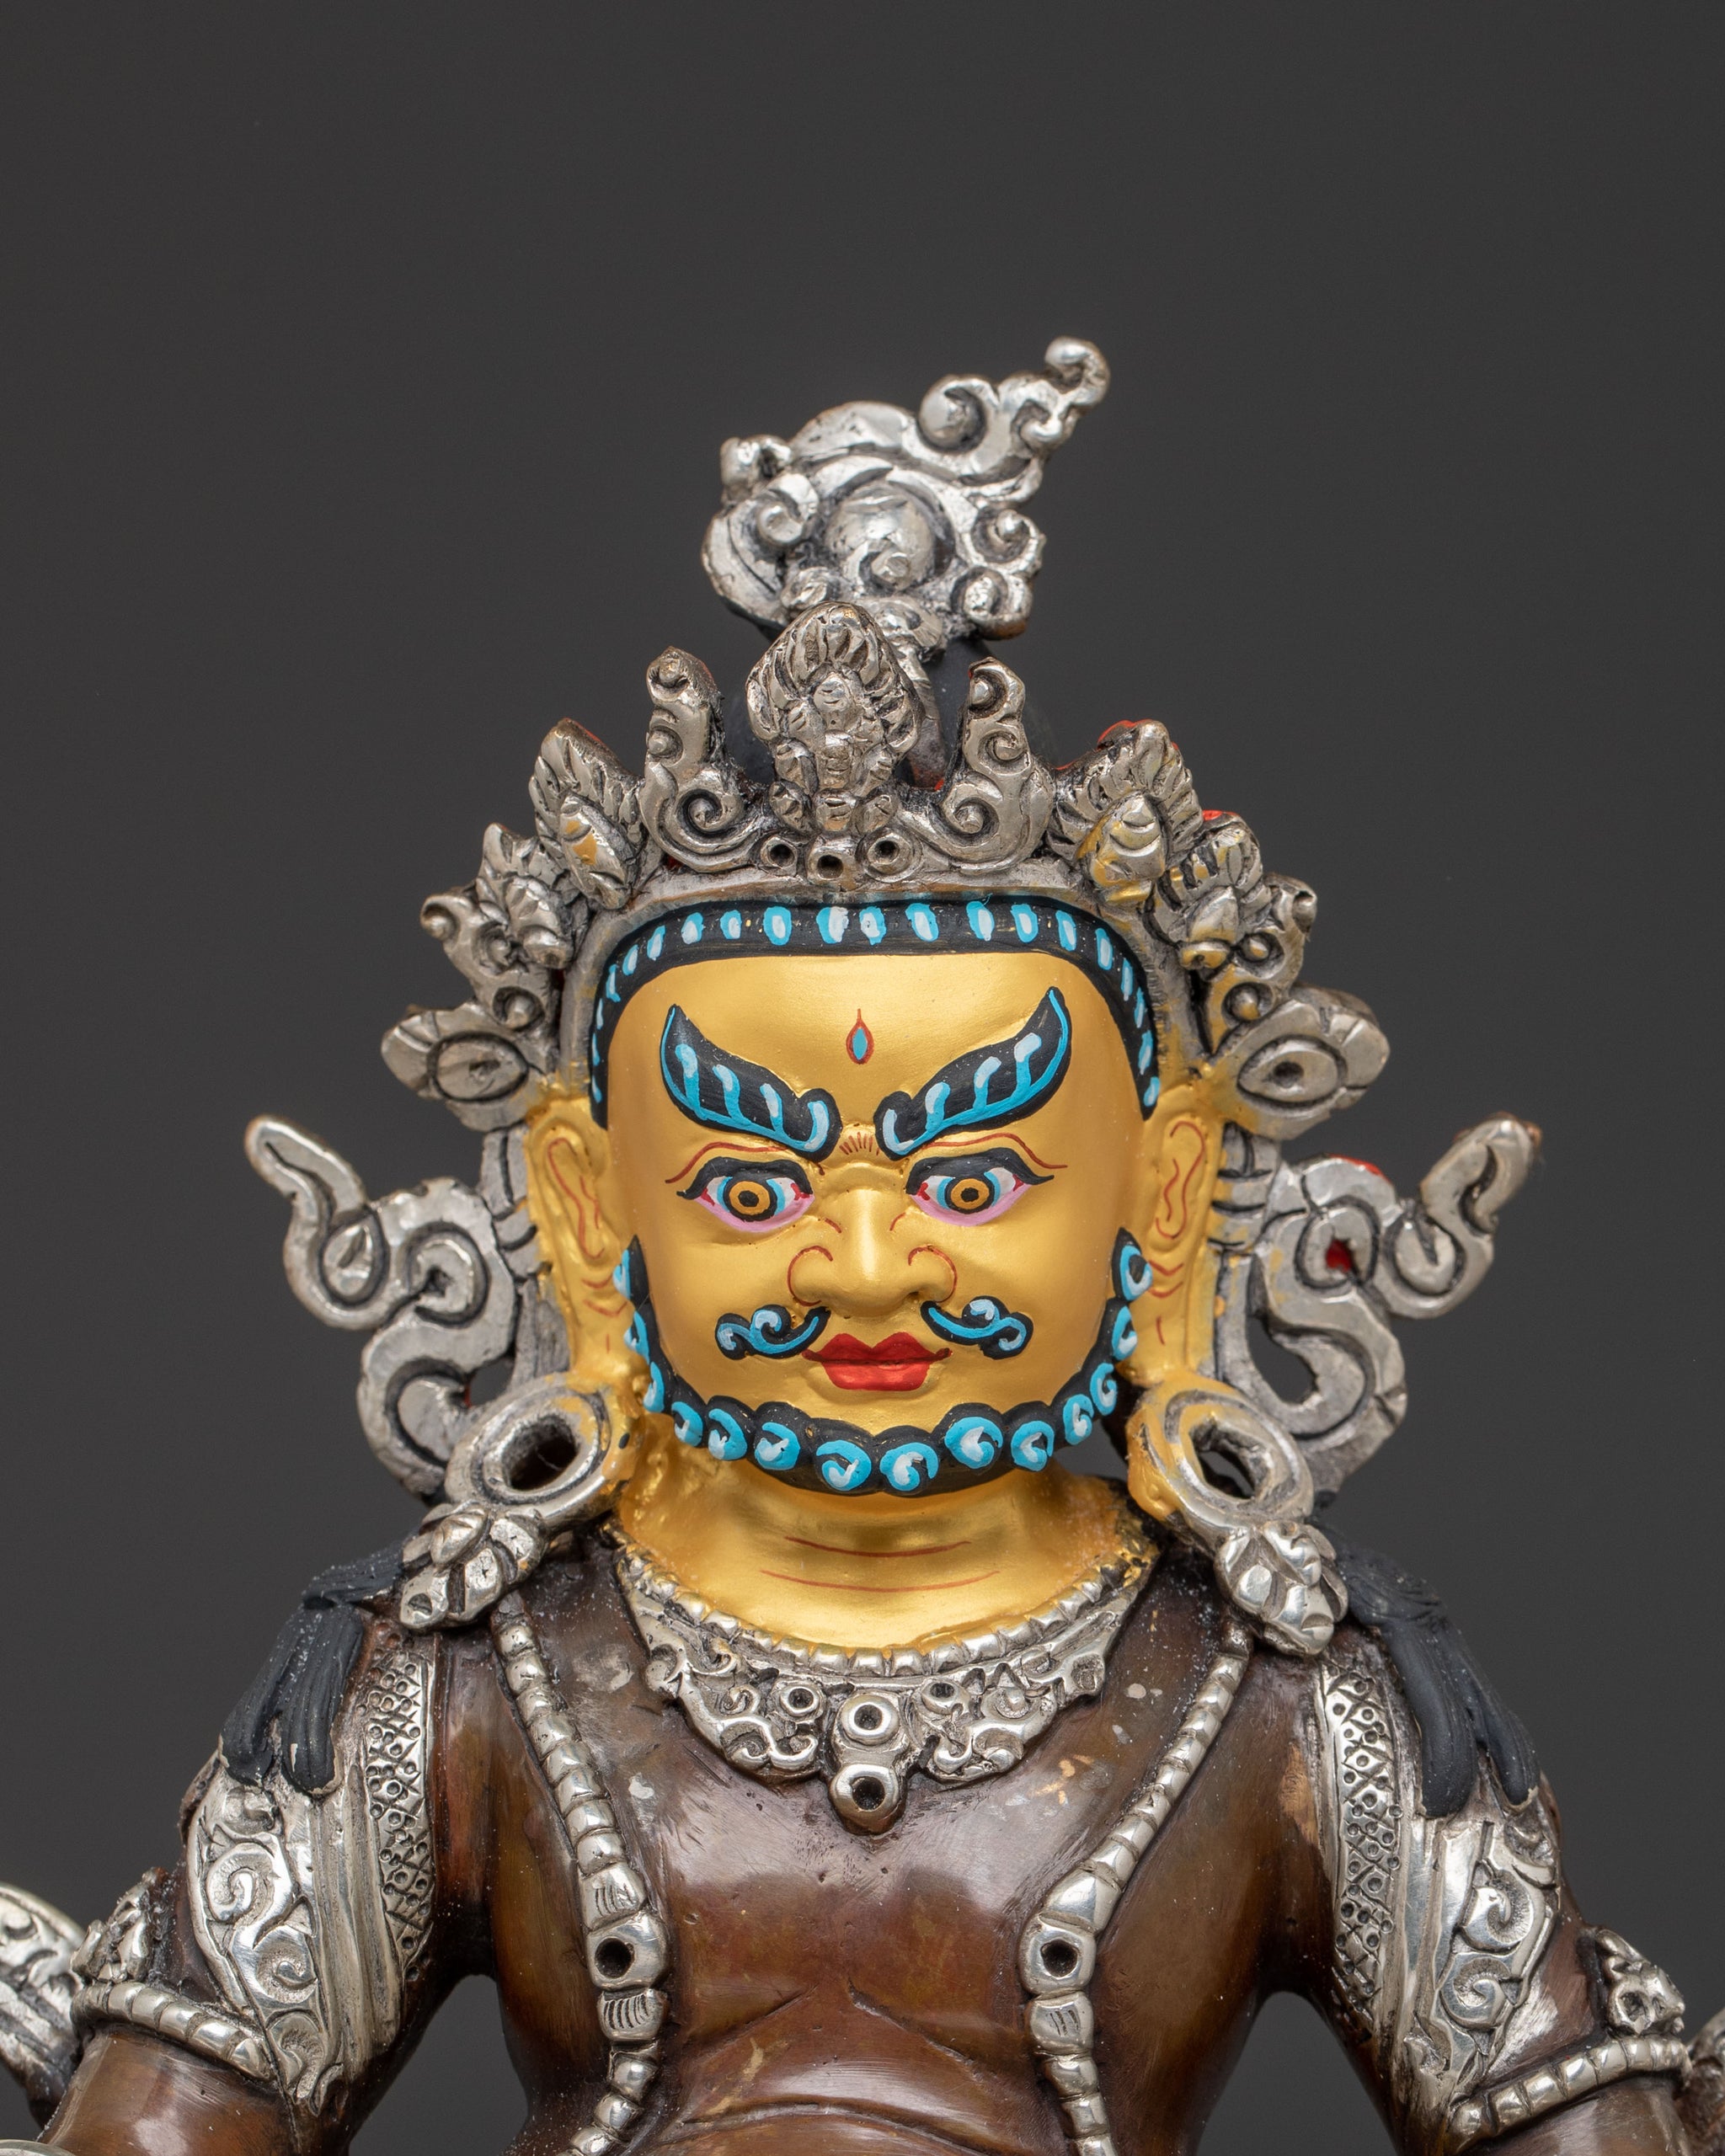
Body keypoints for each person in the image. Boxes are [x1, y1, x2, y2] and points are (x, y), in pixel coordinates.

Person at [2, 341, 1717, 2156]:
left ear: (1162, 1186)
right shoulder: (446, 1679)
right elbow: (172, 2123)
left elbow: (1567, 2124)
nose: (870, 1265)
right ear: (588, 1206)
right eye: (749, 1193)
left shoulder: (1295, 1699)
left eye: (976, 1178)